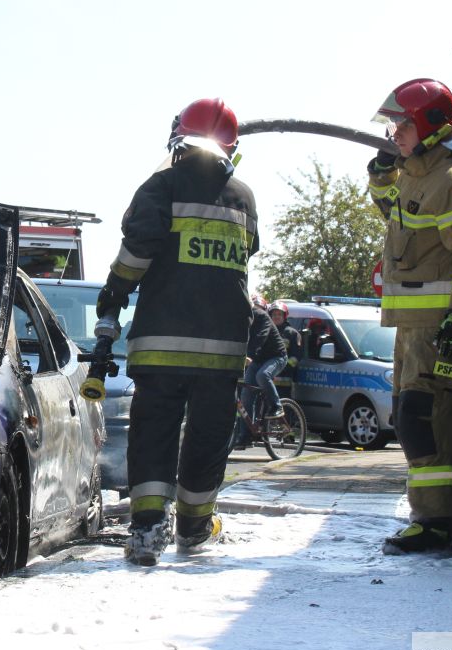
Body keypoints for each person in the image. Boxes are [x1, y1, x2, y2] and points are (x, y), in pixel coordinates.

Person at [96, 97, 258, 565]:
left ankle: (147, 530)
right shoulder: (243, 197)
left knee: (154, 435)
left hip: (162, 345)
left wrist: (114, 293)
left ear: (178, 139)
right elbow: (245, 259)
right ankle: (193, 528)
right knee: (208, 438)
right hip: (224, 349)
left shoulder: (160, 186)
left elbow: (137, 252)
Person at [368, 78, 452, 555]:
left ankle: (434, 522)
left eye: (402, 123)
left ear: (430, 125)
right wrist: (381, 175)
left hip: (438, 326)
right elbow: (394, 217)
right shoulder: (416, 177)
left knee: (417, 418)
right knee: (426, 419)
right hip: (410, 327)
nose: (394, 133)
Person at [234, 302, 287, 448]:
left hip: (276, 357)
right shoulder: (240, 319)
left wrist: (249, 356)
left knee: (263, 375)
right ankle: (245, 436)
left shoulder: (262, 317)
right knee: (246, 397)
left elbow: (260, 337)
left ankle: (277, 406)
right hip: (257, 360)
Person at [268, 301, 303, 379]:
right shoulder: (266, 332)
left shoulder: (292, 333)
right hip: (266, 377)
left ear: (284, 316)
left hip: (284, 379)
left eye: (279, 314)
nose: (276, 317)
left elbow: (296, 356)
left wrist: (283, 368)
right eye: (274, 314)